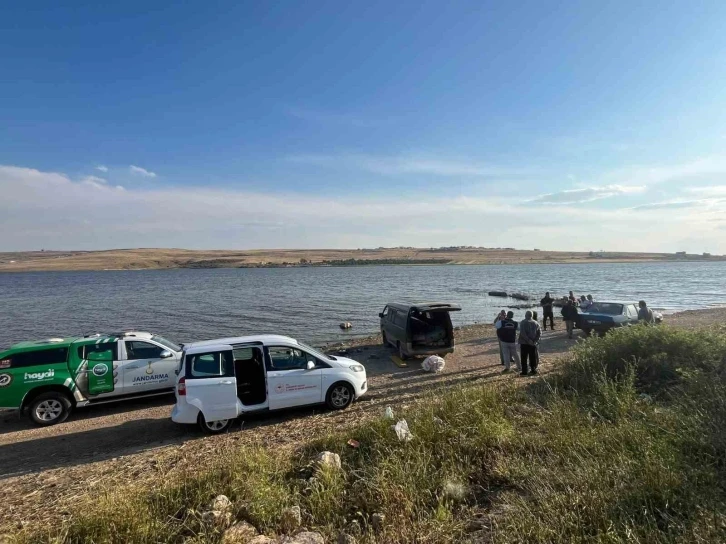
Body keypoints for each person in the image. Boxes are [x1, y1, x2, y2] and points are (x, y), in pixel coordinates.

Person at [519, 310, 541, 375]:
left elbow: (523, 333)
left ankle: (524, 371)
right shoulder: (536, 323)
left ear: (525, 315)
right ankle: (533, 370)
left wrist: (528, 340)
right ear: (532, 316)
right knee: (532, 357)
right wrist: (535, 340)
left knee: (524, 357)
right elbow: (539, 333)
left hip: (524, 343)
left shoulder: (523, 322)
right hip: (533, 343)